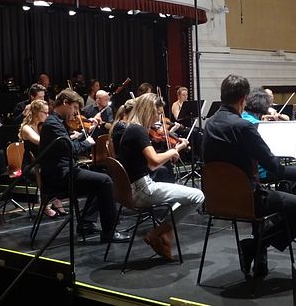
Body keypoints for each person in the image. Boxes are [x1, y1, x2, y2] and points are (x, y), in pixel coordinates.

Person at [203, 74, 296, 278]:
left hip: (217, 199)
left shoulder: (210, 123)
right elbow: (272, 165)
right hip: (247, 198)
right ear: (243, 99)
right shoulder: (243, 127)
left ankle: (257, 250)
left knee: (272, 204)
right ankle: (255, 245)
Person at [116, 93, 204, 259]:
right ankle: (157, 233)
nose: (159, 118)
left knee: (184, 197)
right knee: (198, 196)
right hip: (143, 190)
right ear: (149, 111)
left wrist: (168, 155)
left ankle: (164, 234)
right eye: (158, 113)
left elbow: (150, 165)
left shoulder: (132, 129)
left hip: (133, 189)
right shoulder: (137, 130)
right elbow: (155, 161)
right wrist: (175, 149)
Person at [39, 89, 129, 242]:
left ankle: (86, 223)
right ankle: (109, 232)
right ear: (66, 103)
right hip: (60, 175)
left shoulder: (55, 122)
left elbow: (66, 145)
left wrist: (83, 134)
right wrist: (86, 143)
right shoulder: (53, 124)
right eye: (74, 108)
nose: (75, 113)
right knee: (105, 181)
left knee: (100, 179)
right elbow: (71, 150)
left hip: (63, 170)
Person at [242, 88, 296, 196]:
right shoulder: (259, 125)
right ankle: (289, 202)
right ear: (265, 106)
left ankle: (284, 193)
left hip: (246, 172)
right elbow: (270, 159)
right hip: (263, 171)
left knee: (290, 174)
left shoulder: (242, 118)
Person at [18, 99, 66, 218]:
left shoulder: (44, 126)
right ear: (36, 112)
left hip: (44, 161)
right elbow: (38, 141)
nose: (47, 115)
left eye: (48, 112)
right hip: (31, 164)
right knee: (46, 172)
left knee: (58, 168)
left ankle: (54, 199)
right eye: (45, 113)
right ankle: (45, 204)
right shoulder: (26, 128)